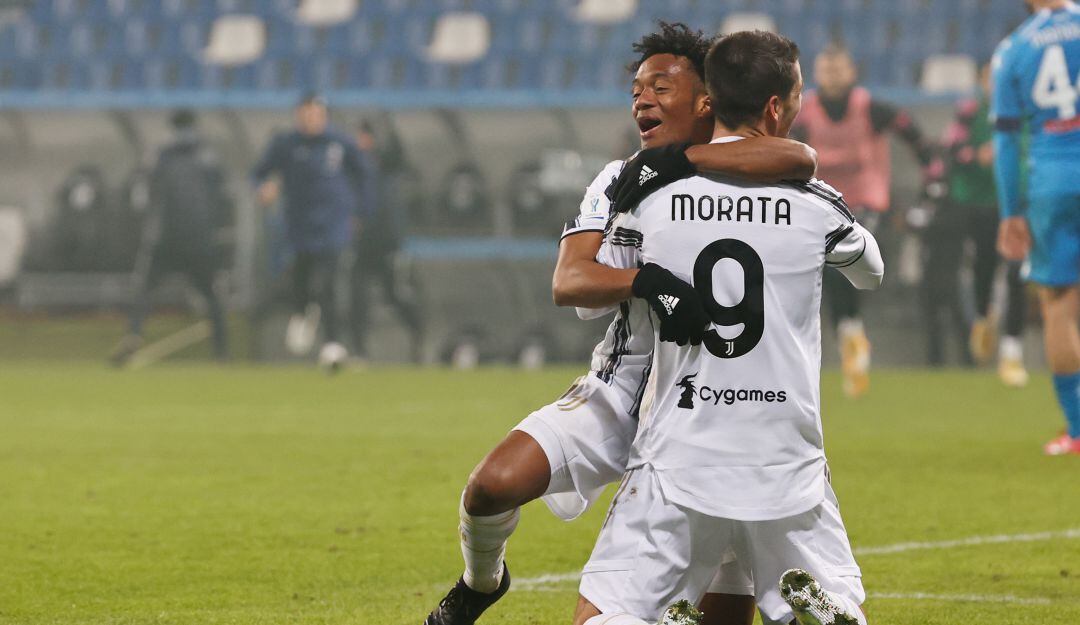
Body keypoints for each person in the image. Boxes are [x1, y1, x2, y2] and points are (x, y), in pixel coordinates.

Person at [423, 22, 818, 625]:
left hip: (708, 412)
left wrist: (680, 160)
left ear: (707, 99)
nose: (642, 98)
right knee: (490, 487)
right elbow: (569, 281)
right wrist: (647, 282)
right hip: (619, 391)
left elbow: (800, 157)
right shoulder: (621, 179)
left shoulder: (745, 168)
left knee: (721, 615)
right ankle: (482, 583)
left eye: (661, 85)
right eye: (636, 88)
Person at [577, 31, 883, 625]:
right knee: (833, 599)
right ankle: (817, 613)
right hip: (784, 456)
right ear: (777, 108)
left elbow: (593, 286)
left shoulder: (653, 197)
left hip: (682, 451)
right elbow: (870, 271)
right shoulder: (818, 202)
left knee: (604, 613)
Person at [793, 43, 936, 397]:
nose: (833, 75)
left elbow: (917, 139)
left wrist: (932, 184)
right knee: (828, 270)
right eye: (826, 69)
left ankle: (850, 334)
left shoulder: (871, 108)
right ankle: (851, 336)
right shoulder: (805, 114)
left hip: (866, 203)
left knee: (844, 259)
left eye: (839, 68)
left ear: (852, 72)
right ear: (816, 74)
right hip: (822, 206)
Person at [993, 0, 1080, 454]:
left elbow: (1005, 139)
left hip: (1053, 180)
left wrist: (1010, 211)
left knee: (1060, 304)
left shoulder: (1014, 48)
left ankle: (1078, 432)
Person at [252, 93, 374, 370]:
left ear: (324, 116)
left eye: (316, 114)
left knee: (329, 282)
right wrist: (265, 186)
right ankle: (302, 311)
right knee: (301, 279)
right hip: (299, 225)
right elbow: (259, 172)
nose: (310, 119)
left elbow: (364, 175)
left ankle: (332, 344)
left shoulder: (340, 143)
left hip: (333, 224)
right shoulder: (285, 145)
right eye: (305, 113)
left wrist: (360, 213)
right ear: (298, 115)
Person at [110, 109, 231, 366]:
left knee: (144, 289)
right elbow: (221, 200)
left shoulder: (162, 157)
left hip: (170, 239)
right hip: (199, 241)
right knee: (212, 296)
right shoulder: (206, 158)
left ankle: (134, 333)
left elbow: (145, 196)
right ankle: (221, 351)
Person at [934, 61, 1029, 383]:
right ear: (981, 81)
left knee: (1018, 271)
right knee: (984, 267)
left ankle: (1012, 351)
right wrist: (977, 156)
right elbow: (951, 149)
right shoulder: (969, 111)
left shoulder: (1026, 109)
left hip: (1016, 205)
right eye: (991, 77)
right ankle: (983, 319)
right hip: (977, 206)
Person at [349, 118, 424, 363]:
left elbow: (398, 152)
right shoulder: (353, 167)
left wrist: (386, 121)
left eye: (366, 136)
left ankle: (417, 337)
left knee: (395, 295)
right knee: (357, 298)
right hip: (362, 245)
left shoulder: (385, 163)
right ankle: (359, 351)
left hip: (387, 243)